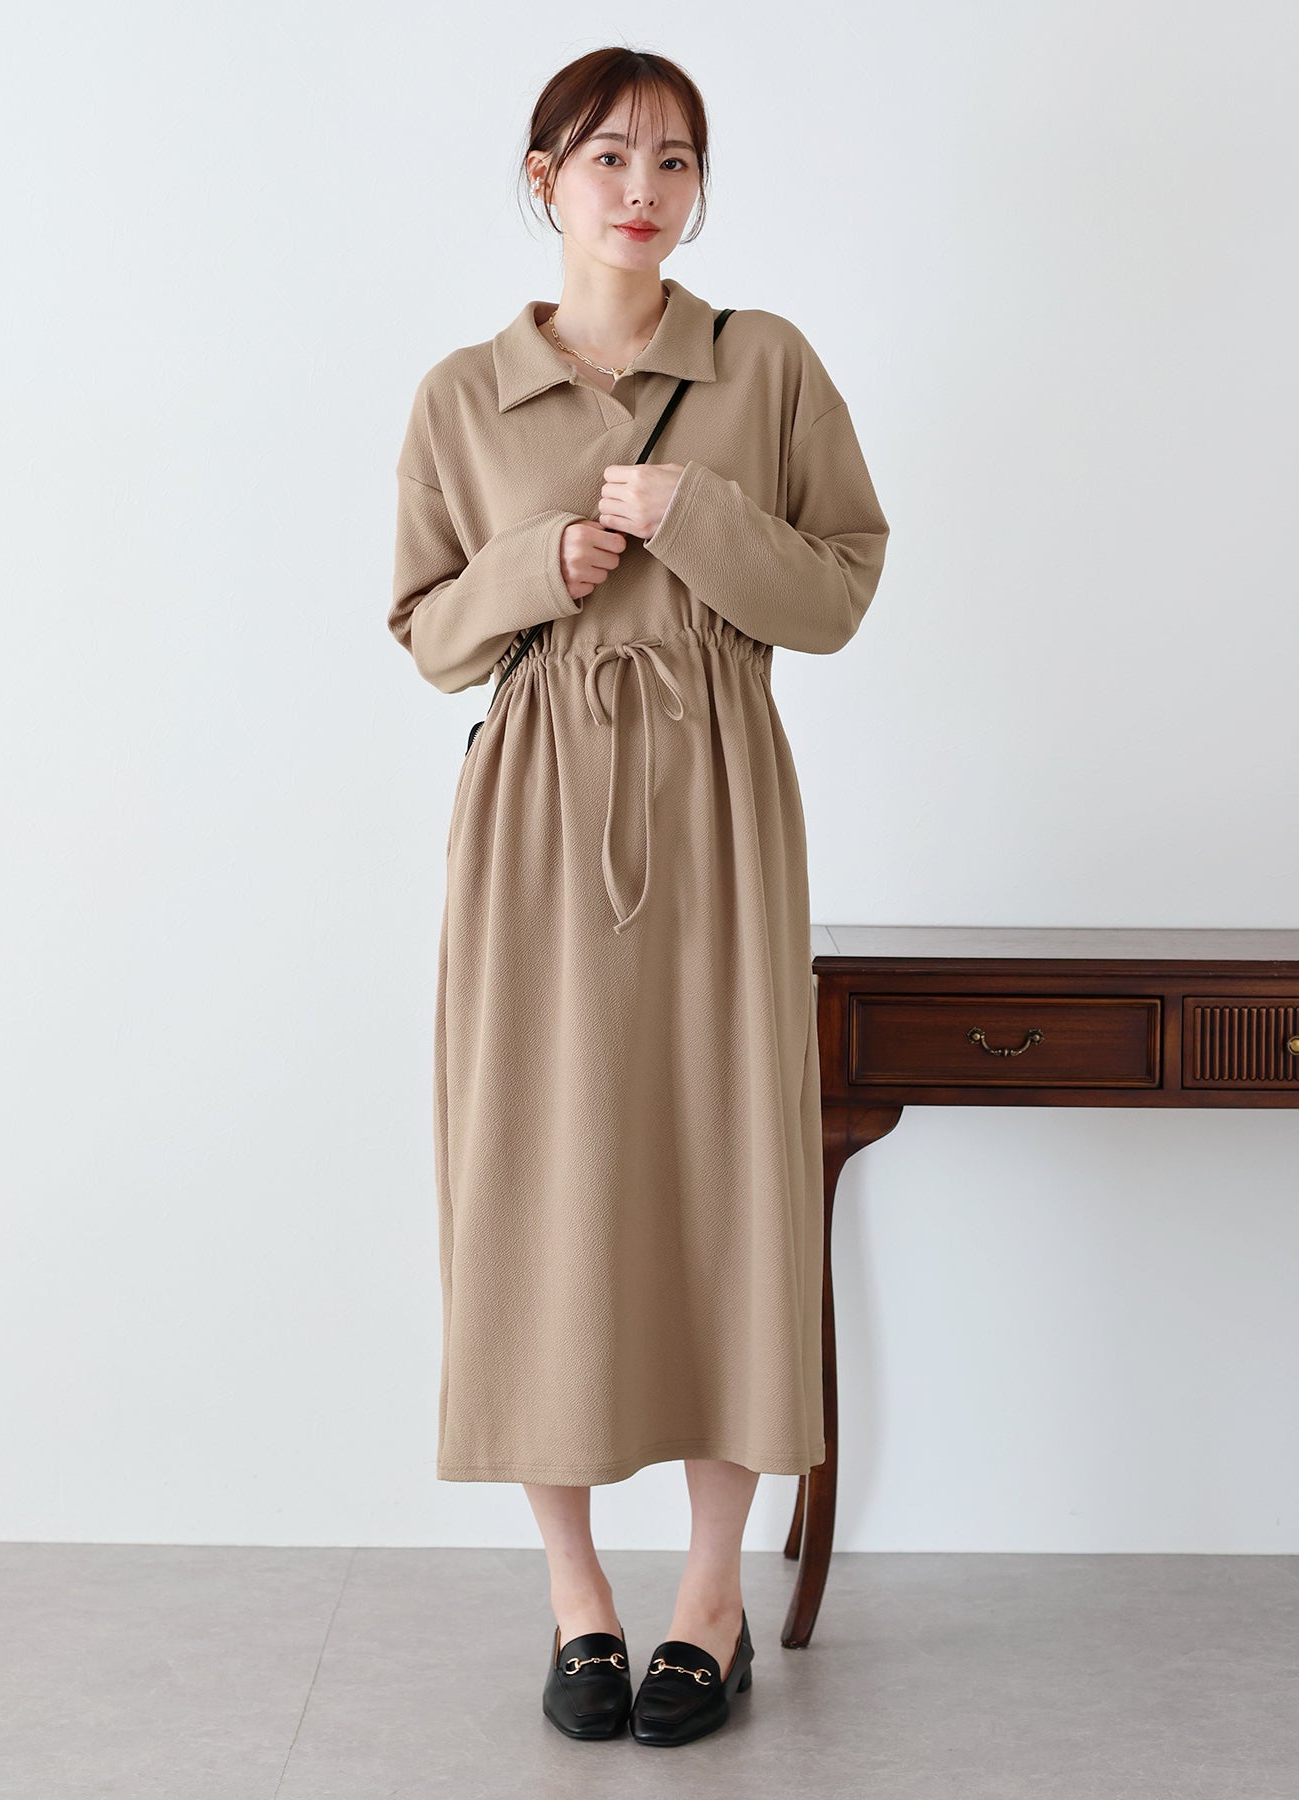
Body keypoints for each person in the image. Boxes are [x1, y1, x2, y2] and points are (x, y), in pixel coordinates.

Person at [388, 47, 890, 1747]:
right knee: (540, 1173)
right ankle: (576, 1596)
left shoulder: (766, 365)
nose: (644, 189)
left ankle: (710, 1598)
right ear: (545, 177)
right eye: (610, 156)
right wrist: (538, 566)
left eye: (676, 160)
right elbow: (424, 630)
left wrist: (699, 518)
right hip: (538, 820)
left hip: (722, 806)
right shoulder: (464, 395)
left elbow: (839, 594)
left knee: (725, 1171)